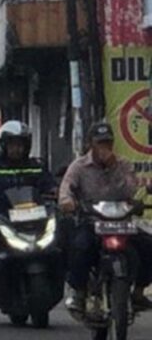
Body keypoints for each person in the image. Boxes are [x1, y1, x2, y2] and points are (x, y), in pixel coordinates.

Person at [59, 122, 152, 312]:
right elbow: (66, 189)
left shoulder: (123, 164)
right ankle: (79, 293)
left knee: (147, 245)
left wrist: (113, 167)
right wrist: (68, 202)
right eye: (100, 143)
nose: (104, 147)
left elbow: (130, 189)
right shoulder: (79, 166)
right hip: (92, 221)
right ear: (90, 144)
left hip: (121, 222)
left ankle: (139, 292)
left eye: (108, 143)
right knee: (80, 247)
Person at [0, 120, 57, 301]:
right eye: (12, 145)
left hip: (34, 217)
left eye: (20, 145)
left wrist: (55, 192)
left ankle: (65, 279)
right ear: (3, 145)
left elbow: (49, 185)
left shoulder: (36, 166)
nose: (16, 149)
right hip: (2, 216)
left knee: (62, 231)